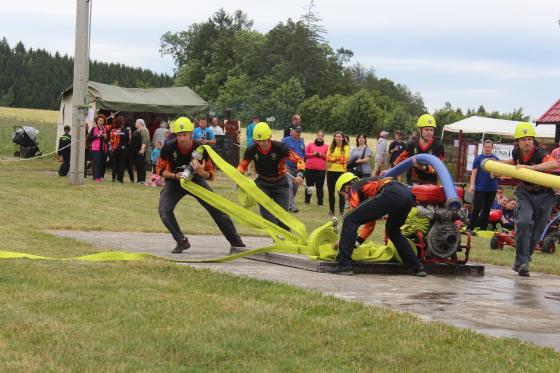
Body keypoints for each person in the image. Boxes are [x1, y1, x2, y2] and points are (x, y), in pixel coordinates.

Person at [156, 117, 245, 253]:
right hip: (175, 181)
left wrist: (201, 172)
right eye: (179, 135)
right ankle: (181, 241)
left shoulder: (201, 148)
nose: (182, 139)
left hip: (196, 180)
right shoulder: (168, 146)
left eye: (185, 135)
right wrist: (175, 176)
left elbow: (211, 175)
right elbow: (160, 170)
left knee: (217, 210)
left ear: (191, 134)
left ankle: (237, 244)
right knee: (164, 211)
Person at [326, 172, 426, 277]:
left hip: (392, 192)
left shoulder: (353, 188)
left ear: (346, 188)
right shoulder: (366, 189)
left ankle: (343, 265)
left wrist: (342, 241)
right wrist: (356, 243)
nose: (346, 199)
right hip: (407, 194)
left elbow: (352, 216)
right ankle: (417, 267)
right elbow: (370, 225)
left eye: (343, 195)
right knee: (393, 231)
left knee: (349, 218)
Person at [498, 122, 559, 276]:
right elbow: (514, 163)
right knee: (524, 223)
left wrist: (531, 168)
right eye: (523, 139)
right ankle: (522, 262)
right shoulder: (516, 153)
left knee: (538, 231)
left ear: (533, 140)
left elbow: (553, 164)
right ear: (517, 141)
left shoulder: (539, 153)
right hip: (525, 193)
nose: (527, 142)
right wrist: (496, 166)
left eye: (529, 139)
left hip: (545, 195)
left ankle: (523, 260)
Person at [237, 122, 305, 230]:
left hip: (281, 184)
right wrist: (238, 178)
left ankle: (287, 242)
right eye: (258, 141)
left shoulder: (280, 147)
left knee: (283, 217)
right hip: (262, 184)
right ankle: (277, 237)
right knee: (267, 215)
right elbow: (242, 166)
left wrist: (300, 174)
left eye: (264, 140)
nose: (262, 143)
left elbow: (299, 160)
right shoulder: (251, 150)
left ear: (270, 137)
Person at [395, 114, 445, 184]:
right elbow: (399, 162)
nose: (430, 132)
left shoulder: (438, 146)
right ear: (419, 129)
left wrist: (422, 167)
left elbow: (439, 168)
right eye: (427, 130)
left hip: (431, 187)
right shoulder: (411, 145)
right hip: (413, 185)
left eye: (432, 130)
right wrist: (389, 172)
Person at [468, 139, 500, 232]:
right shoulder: (478, 158)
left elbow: (498, 173)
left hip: (492, 188)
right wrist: (471, 185)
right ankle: (470, 227)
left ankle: (483, 229)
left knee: (487, 209)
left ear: (492, 148)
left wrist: (496, 173)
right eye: (486, 147)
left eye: (489, 147)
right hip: (480, 187)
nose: (488, 148)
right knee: (477, 208)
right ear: (483, 147)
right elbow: (474, 173)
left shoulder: (495, 159)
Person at [282, 126, 306, 212]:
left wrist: (302, 167)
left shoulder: (301, 141)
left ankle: (288, 203)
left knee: (295, 187)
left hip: (298, 168)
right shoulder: (286, 140)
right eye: (297, 132)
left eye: (299, 132)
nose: (298, 134)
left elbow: (303, 155)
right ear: (292, 131)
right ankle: (291, 206)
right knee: (290, 186)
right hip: (288, 166)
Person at [326, 131, 350, 216]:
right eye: (336, 136)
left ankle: (341, 211)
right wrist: (338, 159)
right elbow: (328, 158)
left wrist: (333, 159)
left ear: (343, 138)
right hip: (330, 171)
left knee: (341, 191)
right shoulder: (330, 147)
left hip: (341, 172)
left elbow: (345, 159)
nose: (338, 138)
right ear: (334, 138)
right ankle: (331, 210)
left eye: (340, 137)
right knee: (331, 191)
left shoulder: (346, 147)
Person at [304, 130, 328, 206]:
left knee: (319, 187)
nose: (320, 137)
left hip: (321, 170)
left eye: (321, 136)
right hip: (309, 169)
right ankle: (307, 201)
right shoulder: (310, 145)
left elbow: (328, 157)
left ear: (323, 137)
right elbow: (304, 154)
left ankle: (320, 203)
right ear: (316, 135)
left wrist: (321, 155)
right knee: (309, 186)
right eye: (319, 135)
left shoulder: (326, 146)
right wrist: (312, 154)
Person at [87, 114, 109, 182]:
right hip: (96, 148)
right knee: (97, 162)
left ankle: (99, 176)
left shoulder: (105, 129)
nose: (101, 122)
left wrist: (105, 138)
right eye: (99, 120)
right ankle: (96, 177)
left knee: (102, 163)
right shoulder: (94, 128)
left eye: (102, 121)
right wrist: (97, 136)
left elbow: (107, 140)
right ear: (97, 121)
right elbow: (89, 138)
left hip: (103, 149)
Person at [109, 116, 129, 183]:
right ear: (122, 122)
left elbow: (110, 139)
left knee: (115, 164)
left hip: (115, 149)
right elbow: (128, 140)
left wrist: (113, 146)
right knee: (122, 164)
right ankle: (120, 179)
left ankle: (113, 178)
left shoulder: (113, 130)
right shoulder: (125, 130)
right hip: (123, 149)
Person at [130, 119, 150, 184]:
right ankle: (139, 179)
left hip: (141, 151)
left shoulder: (144, 130)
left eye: (136, 122)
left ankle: (142, 180)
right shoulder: (137, 131)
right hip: (136, 151)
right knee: (138, 165)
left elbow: (145, 140)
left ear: (140, 123)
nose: (135, 123)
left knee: (141, 165)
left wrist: (142, 149)